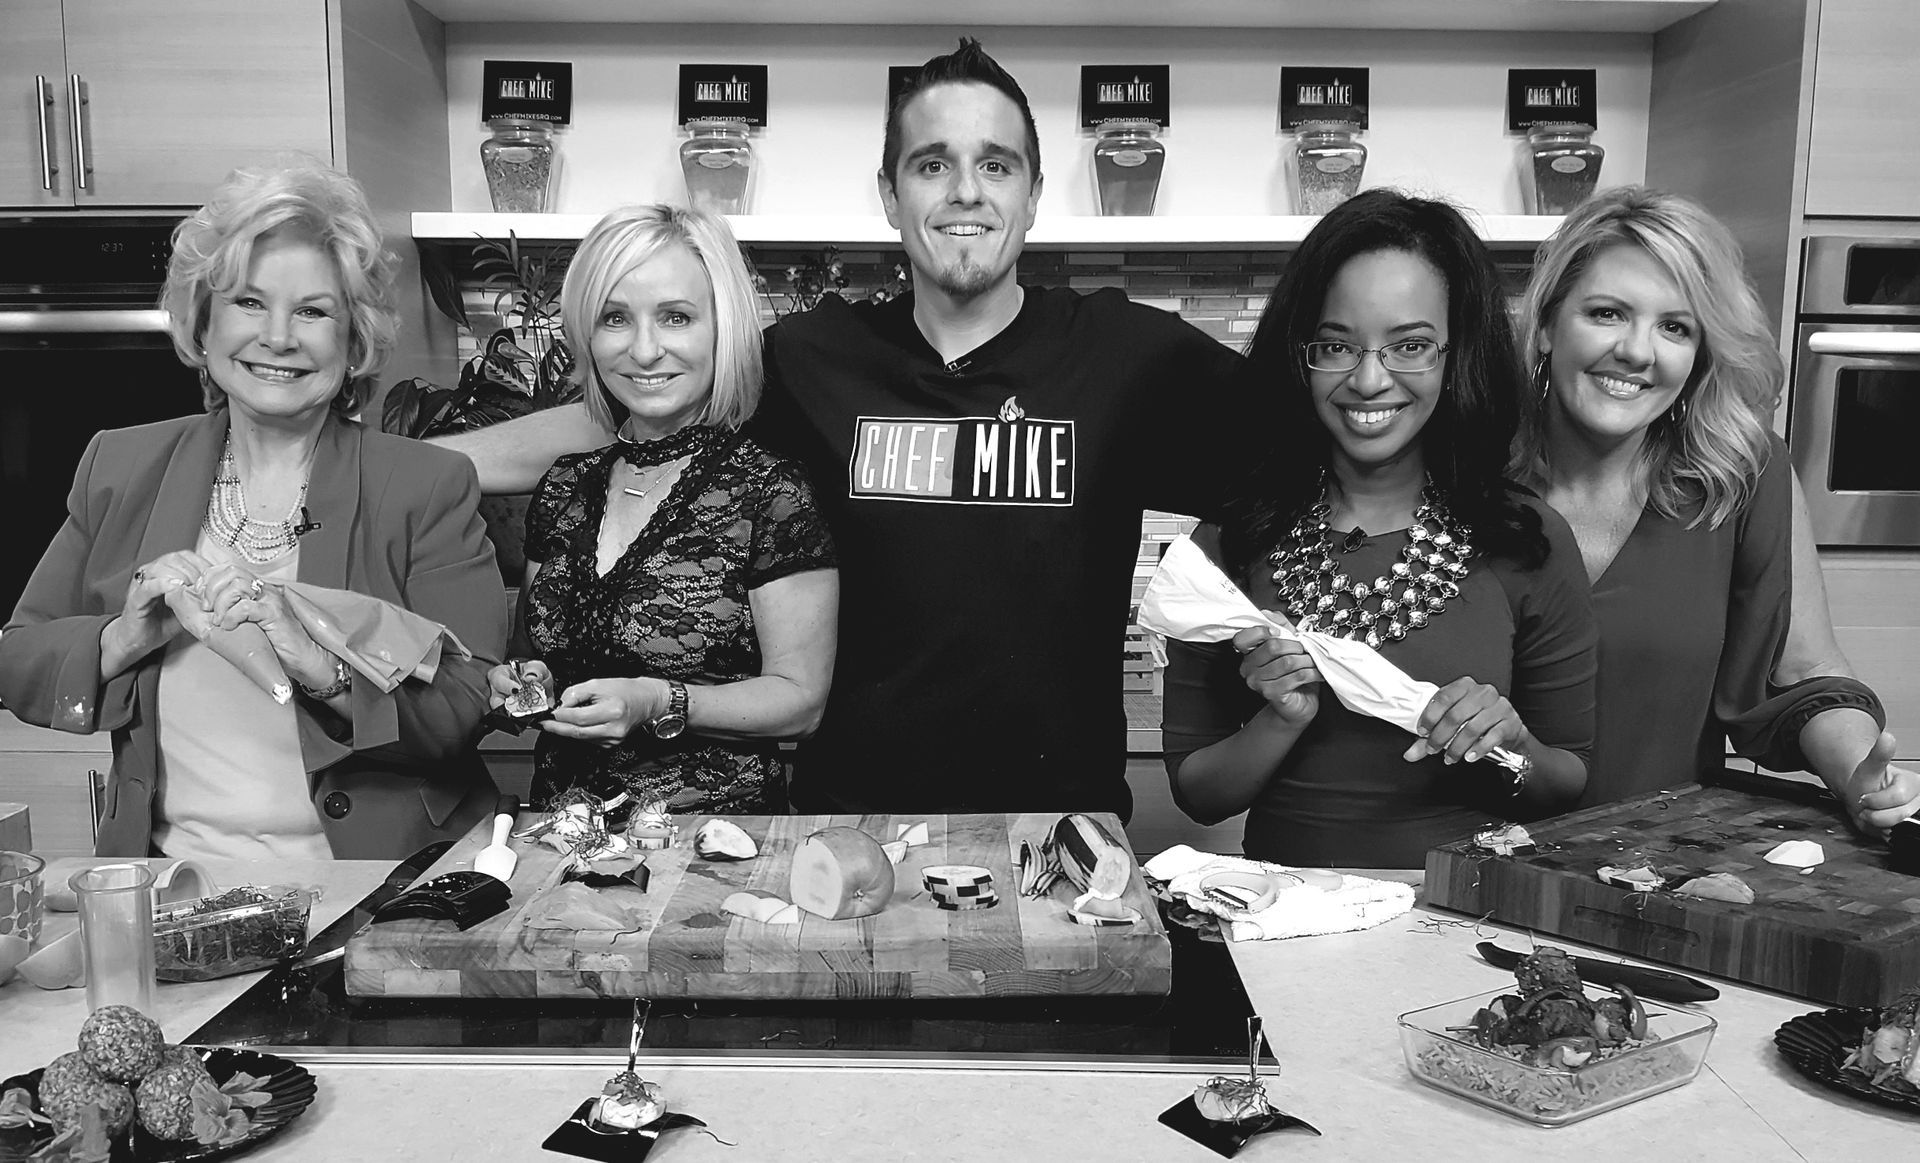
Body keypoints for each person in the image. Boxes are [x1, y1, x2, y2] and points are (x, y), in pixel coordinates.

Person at [442, 39, 1250, 820]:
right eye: (932, 164)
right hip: (851, 822)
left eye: (995, 164)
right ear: (892, 195)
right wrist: (412, 468)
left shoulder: (1128, 355)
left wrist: (1228, 651)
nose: (965, 191)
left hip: (1057, 825)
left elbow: (1304, 467)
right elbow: (622, 416)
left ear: (1033, 193)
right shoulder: (813, 358)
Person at [0, 162, 506, 860]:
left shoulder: (426, 484)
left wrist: (326, 673)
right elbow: (18, 655)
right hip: (175, 891)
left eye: (312, 310)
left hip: (377, 887)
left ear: (353, 340)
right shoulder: (119, 466)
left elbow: (465, 705)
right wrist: (122, 638)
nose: (277, 336)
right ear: (203, 325)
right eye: (247, 302)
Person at [1162, 190, 1598, 869]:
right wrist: (1282, 716)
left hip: (1465, 927)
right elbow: (1199, 793)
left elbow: (1565, 784)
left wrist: (1510, 741)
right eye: (1337, 345)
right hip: (1283, 925)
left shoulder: (1526, 538)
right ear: (1300, 355)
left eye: (1411, 346)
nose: (1370, 379)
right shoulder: (1231, 538)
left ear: (1459, 356)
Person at [1512, 186, 1920, 833]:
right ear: (1545, 324)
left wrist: (1862, 778)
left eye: (1675, 327)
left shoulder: (1742, 473)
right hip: (1445, 872)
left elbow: (1806, 674)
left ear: (1700, 353)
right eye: (1608, 313)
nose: (1638, 351)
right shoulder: (1461, 473)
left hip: (1654, 875)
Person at [485, 205, 838, 812]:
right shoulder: (566, 486)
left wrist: (658, 701)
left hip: (714, 857)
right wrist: (527, 681)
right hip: (562, 847)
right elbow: (541, 656)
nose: (645, 351)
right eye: (615, 318)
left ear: (720, 329)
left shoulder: (768, 491)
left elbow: (801, 703)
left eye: (676, 317)